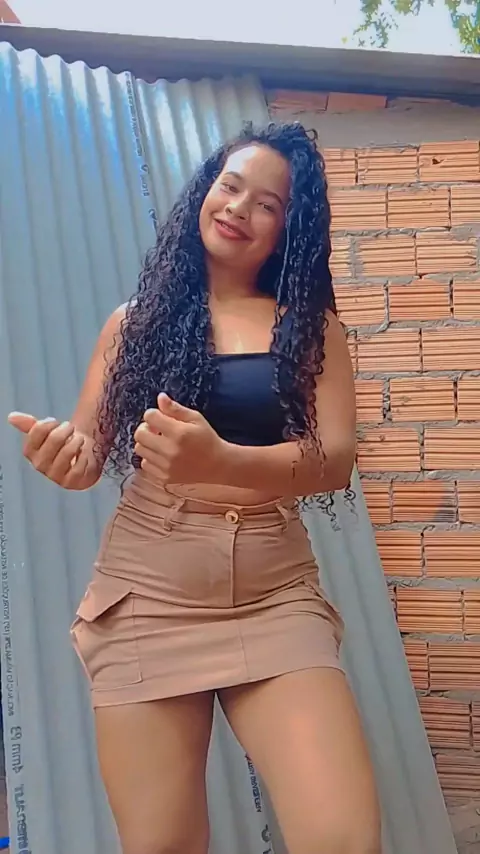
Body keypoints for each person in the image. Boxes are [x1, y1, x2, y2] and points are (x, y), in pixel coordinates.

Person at [8, 122, 380, 854]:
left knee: (342, 838)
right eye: (230, 186)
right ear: (205, 194)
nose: (239, 207)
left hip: (273, 595)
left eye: (267, 203)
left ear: (289, 230)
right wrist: (62, 457)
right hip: (148, 594)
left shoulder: (312, 330)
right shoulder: (133, 324)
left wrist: (222, 460)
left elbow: (334, 460)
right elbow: (89, 456)